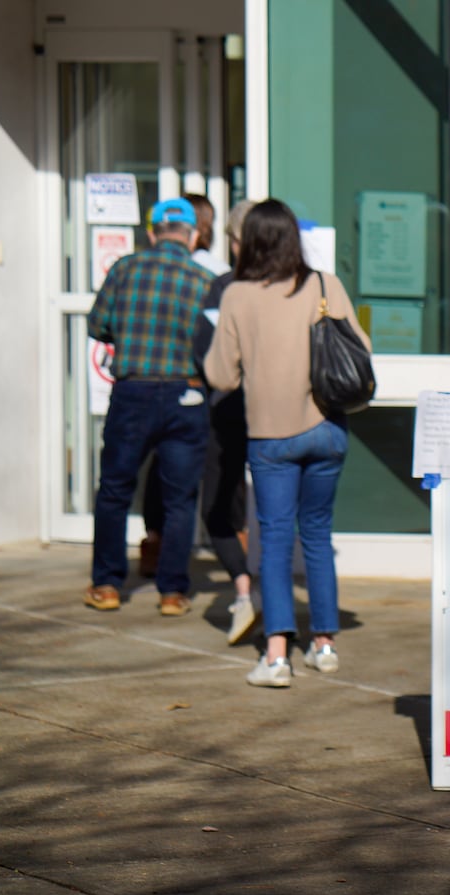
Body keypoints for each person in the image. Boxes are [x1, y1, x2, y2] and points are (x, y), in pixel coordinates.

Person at [204, 199, 371, 688]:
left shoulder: (238, 295)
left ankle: (277, 656)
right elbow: (361, 350)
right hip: (327, 430)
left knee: (274, 543)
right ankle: (323, 645)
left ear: (248, 242)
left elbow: (220, 374)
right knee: (317, 535)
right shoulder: (324, 284)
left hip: (272, 437)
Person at [83, 197, 212, 616]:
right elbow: (212, 346)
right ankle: (172, 592)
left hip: (133, 391)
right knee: (179, 498)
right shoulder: (203, 280)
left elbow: (97, 324)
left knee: (116, 489)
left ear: (152, 232)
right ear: (192, 236)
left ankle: (106, 585)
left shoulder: (125, 269)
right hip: (185, 394)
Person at [139, 192, 230, 579]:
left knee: (163, 474)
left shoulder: (186, 271)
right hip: (203, 389)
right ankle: (202, 555)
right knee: (197, 476)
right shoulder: (218, 272)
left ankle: (157, 548)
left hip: (173, 385)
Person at [191, 199, 258, 645]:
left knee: (216, 509)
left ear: (236, 240)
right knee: (275, 515)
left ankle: (242, 590)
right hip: (286, 413)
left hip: (231, 410)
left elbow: (205, 349)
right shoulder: (300, 285)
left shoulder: (225, 287)